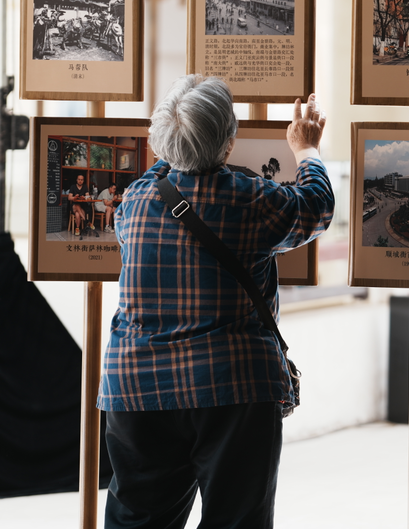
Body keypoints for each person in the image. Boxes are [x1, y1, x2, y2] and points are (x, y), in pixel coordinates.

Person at [98, 76, 333, 528]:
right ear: (229, 144)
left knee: (138, 519)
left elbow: (162, 170)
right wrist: (306, 149)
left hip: (136, 385)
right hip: (234, 385)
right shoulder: (253, 200)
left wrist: (179, 148)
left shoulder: (135, 202)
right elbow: (316, 204)